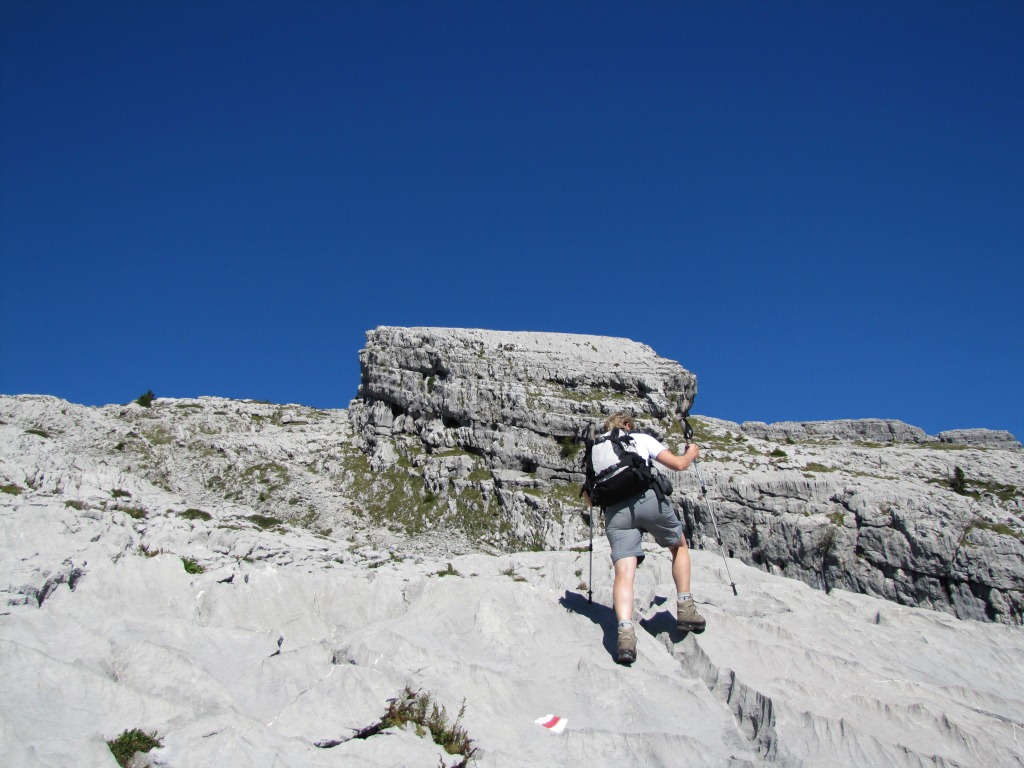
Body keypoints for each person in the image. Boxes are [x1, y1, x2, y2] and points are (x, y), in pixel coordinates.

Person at [585, 412, 705, 665]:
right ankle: (686, 609)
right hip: (648, 500)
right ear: (627, 425)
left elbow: (590, 498)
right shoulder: (639, 438)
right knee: (679, 546)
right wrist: (691, 453)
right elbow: (678, 465)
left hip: (615, 514)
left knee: (624, 572)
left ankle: (625, 636)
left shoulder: (596, 450)